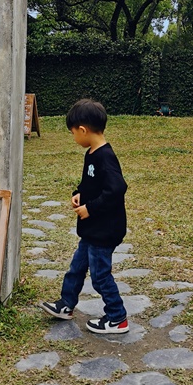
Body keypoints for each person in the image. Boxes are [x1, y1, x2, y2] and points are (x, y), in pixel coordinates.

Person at [40, 98, 129, 334]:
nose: (74, 138)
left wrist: (91, 208)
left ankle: (117, 317)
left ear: (83, 130)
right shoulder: (91, 153)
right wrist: (79, 194)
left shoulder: (105, 156)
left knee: (100, 277)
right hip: (92, 230)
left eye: (73, 134)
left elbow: (117, 188)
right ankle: (66, 305)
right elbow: (91, 185)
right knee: (76, 268)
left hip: (104, 230)